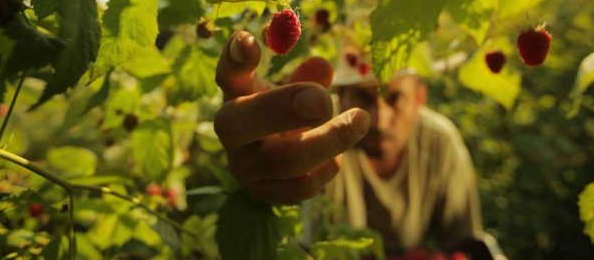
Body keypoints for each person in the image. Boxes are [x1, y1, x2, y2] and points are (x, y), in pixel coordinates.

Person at [214, 31, 504, 259]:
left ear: (419, 99)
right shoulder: (320, 141)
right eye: (364, 98)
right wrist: (267, 177)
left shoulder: (440, 142)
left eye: (394, 98)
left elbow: (465, 245)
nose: (379, 119)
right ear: (341, 95)